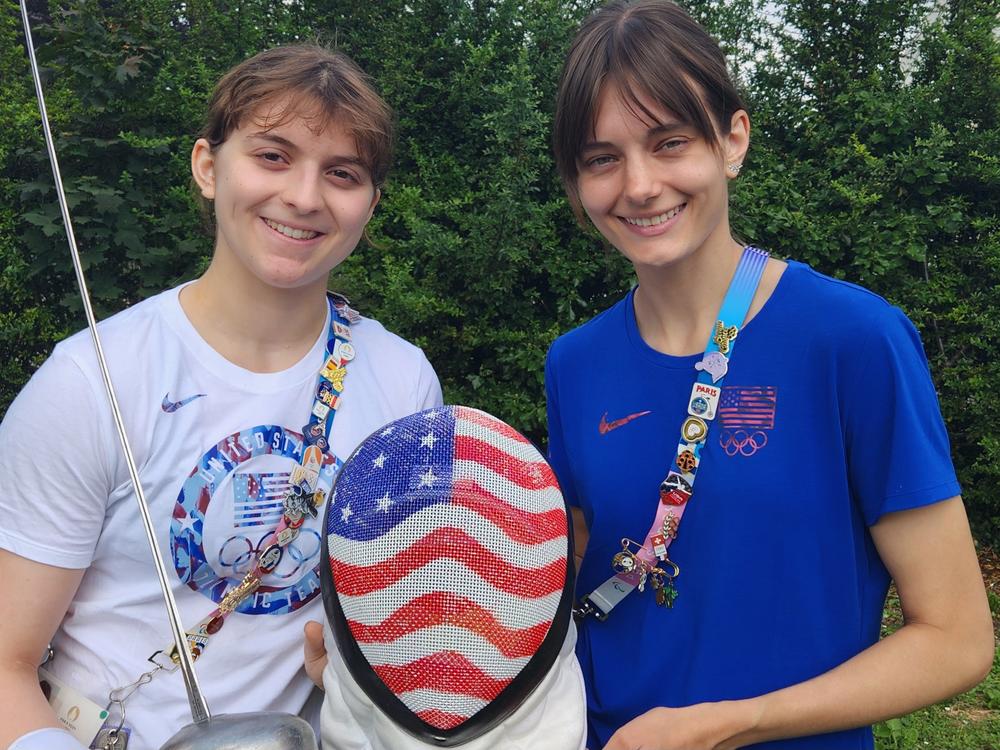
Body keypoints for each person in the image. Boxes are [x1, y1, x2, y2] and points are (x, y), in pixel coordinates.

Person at [544, 2, 994, 749]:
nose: (640, 184)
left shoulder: (852, 339)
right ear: (575, 181)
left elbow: (957, 637)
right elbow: (581, 578)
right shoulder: (576, 363)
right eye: (602, 158)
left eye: (670, 143)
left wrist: (739, 723)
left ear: (733, 140)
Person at [0, 44, 442, 750]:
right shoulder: (91, 380)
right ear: (209, 166)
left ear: (370, 203)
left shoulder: (402, 380)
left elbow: (406, 620)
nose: (303, 196)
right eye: (272, 156)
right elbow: (6, 662)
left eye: (342, 173)